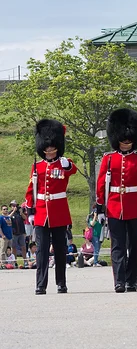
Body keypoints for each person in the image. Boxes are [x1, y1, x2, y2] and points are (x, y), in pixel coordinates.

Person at [95, 108, 137, 293]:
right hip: (114, 206)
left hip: (134, 205)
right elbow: (101, 184)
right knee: (118, 246)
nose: (127, 143)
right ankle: (119, 280)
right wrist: (100, 208)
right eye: (123, 140)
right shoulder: (109, 158)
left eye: (129, 141)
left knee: (134, 246)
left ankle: (132, 280)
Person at [25, 119, 77, 295]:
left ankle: (61, 283)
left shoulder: (64, 163)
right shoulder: (37, 166)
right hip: (41, 213)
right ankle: (41, 284)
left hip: (59, 213)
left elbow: (72, 169)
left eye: (52, 147)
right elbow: (31, 190)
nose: (49, 151)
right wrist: (30, 210)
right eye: (46, 148)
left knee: (60, 250)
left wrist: (67, 164)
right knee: (41, 251)